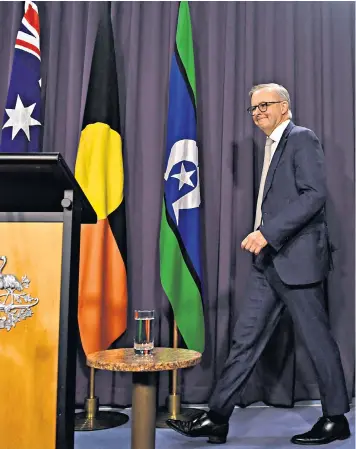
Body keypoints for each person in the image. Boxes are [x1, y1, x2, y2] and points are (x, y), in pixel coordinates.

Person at [166, 83, 351, 445]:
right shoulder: (271, 146)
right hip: (268, 264)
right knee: (244, 341)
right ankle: (217, 418)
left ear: (285, 107)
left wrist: (267, 233)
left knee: (318, 341)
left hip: (297, 260)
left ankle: (335, 419)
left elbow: (314, 196)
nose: (258, 112)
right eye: (253, 108)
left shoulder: (301, 138)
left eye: (265, 105)